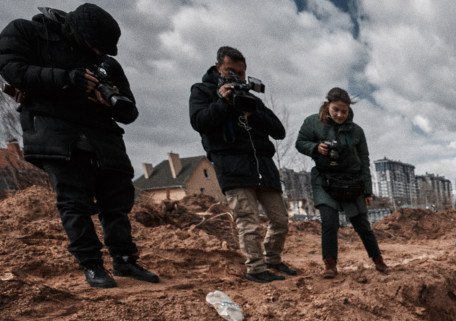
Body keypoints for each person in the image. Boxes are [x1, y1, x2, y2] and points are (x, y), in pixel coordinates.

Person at [0, 4, 159, 289]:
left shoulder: (107, 63)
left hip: (104, 137)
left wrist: (109, 101)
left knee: (117, 201)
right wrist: (68, 79)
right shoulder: (28, 32)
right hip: (56, 131)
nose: (99, 53)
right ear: (77, 32)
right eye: (95, 47)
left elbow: (129, 110)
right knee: (74, 201)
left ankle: (125, 259)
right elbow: (12, 69)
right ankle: (92, 265)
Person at [189, 46, 295, 283]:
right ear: (218, 68)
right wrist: (224, 101)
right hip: (233, 168)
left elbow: (278, 131)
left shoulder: (252, 100)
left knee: (280, 220)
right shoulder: (203, 91)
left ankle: (272, 259)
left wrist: (253, 113)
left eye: (240, 72)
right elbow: (199, 122)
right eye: (230, 71)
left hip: (263, 168)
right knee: (248, 221)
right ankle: (256, 269)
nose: (237, 77)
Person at [296, 87, 386, 277]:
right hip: (325, 181)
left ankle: (378, 260)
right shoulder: (313, 122)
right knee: (329, 223)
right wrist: (314, 147)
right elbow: (300, 143)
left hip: (352, 182)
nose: (339, 115)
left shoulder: (357, 131)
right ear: (328, 105)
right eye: (336, 109)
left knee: (362, 225)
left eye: (344, 111)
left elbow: (364, 161)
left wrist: (367, 191)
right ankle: (330, 264)